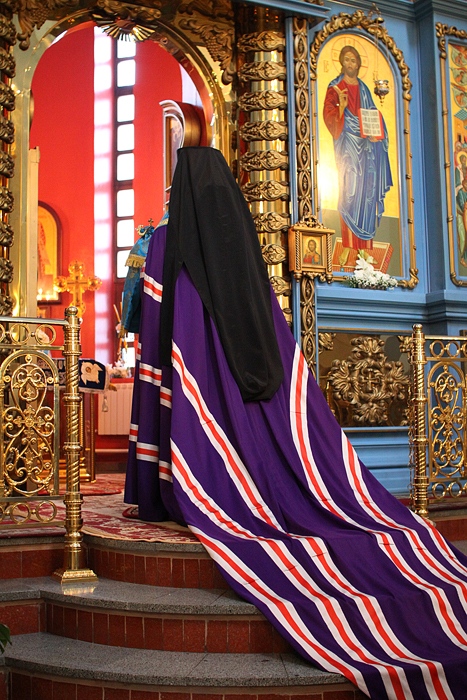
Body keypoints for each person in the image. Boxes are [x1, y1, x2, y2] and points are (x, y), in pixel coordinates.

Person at [125, 146, 467, 700]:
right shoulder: (242, 238)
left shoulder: (168, 241)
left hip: (197, 384)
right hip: (259, 382)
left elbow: (158, 323)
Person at [323, 46, 392, 267]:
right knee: (350, 191)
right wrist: (341, 108)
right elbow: (329, 117)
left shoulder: (364, 88)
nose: (350, 64)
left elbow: (373, 115)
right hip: (348, 148)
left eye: (354, 60)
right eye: (347, 60)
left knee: (367, 194)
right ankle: (347, 247)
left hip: (367, 150)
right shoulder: (335, 88)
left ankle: (364, 251)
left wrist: (376, 133)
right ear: (341, 63)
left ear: (359, 64)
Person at [456, 176, 467, 266]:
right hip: (461, 216)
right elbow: (462, 206)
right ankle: (463, 258)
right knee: (463, 238)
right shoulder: (460, 193)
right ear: (463, 183)